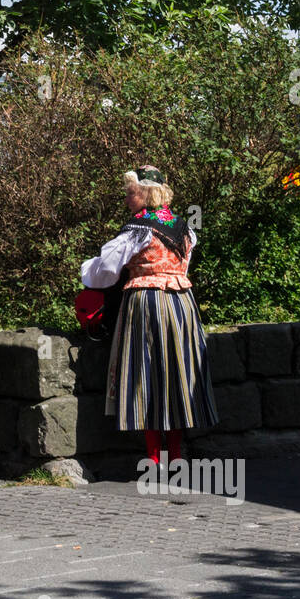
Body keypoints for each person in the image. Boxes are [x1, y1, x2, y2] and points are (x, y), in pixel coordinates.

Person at [80, 166, 217, 467]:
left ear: (145, 193)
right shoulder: (184, 228)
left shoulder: (138, 228)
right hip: (182, 304)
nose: (127, 198)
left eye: (131, 192)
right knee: (179, 375)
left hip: (146, 303)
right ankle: (177, 455)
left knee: (147, 374)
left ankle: (154, 457)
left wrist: (86, 272)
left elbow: (104, 271)